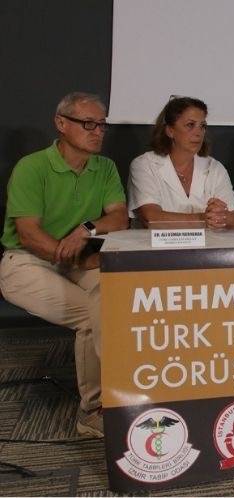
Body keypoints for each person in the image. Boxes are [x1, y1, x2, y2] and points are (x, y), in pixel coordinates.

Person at [0, 92, 128, 436]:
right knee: (91, 315)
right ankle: (92, 411)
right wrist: (75, 253)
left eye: (101, 125)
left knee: (115, 298)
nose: (98, 131)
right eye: (88, 123)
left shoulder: (105, 167)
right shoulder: (32, 167)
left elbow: (119, 218)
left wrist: (86, 229)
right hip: (25, 262)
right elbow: (29, 235)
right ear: (61, 123)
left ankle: (126, 394)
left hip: (75, 259)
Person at [127, 97, 234, 229]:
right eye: (190, 125)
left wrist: (223, 216)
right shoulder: (144, 164)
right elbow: (151, 219)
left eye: (202, 126)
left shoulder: (214, 167)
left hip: (206, 242)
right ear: (170, 131)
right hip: (151, 243)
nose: (198, 133)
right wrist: (203, 219)